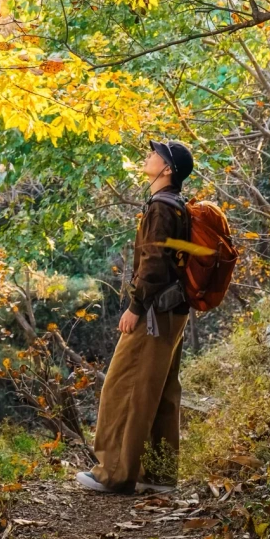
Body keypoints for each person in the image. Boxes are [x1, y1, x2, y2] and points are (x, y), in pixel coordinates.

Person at [77, 138, 194, 494]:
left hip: (155, 312)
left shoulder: (161, 207)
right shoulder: (177, 205)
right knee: (159, 391)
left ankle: (114, 474)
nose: (147, 157)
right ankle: (158, 476)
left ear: (167, 169)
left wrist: (135, 308)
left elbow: (154, 265)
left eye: (154, 155)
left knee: (124, 387)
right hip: (175, 311)